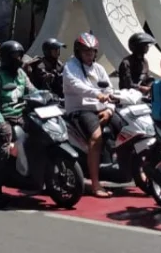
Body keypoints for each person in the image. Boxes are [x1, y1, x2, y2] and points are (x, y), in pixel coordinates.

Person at [62, 32, 114, 198]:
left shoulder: (98, 68)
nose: (89, 54)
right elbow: (78, 86)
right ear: (78, 51)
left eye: (92, 51)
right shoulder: (70, 67)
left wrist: (109, 109)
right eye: (86, 51)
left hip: (101, 108)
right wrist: (97, 94)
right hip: (80, 110)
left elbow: (110, 90)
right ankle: (95, 184)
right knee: (96, 137)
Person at [0, 40, 35, 200]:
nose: (19, 59)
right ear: (6, 57)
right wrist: (0, 123)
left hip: (20, 115)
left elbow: (32, 90)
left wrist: (46, 96)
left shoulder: (21, 74)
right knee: (5, 148)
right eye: (15, 56)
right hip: (2, 116)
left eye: (20, 55)